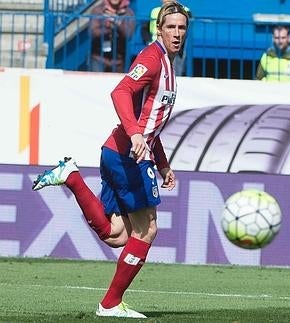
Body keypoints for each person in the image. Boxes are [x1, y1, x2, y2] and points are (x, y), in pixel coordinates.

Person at [32, 1, 189, 318]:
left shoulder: (171, 65)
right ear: (158, 29)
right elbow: (120, 92)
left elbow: (150, 123)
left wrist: (163, 164)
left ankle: (72, 178)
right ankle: (110, 304)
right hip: (127, 153)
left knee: (117, 234)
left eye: (181, 27)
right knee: (147, 232)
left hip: (118, 151)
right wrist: (134, 135)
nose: (176, 33)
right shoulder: (152, 57)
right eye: (170, 26)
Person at [144, 0, 190, 76]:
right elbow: (145, 27)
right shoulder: (155, 11)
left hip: (175, 50)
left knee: (173, 75)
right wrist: (148, 41)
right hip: (155, 47)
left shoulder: (184, 11)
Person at [90, 0, 135, 73]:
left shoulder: (128, 12)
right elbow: (93, 32)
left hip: (119, 61)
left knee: (119, 84)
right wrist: (107, 27)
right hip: (99, 58)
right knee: (96, 83)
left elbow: (128, 33)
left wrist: (117, 23)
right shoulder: (98, 10)